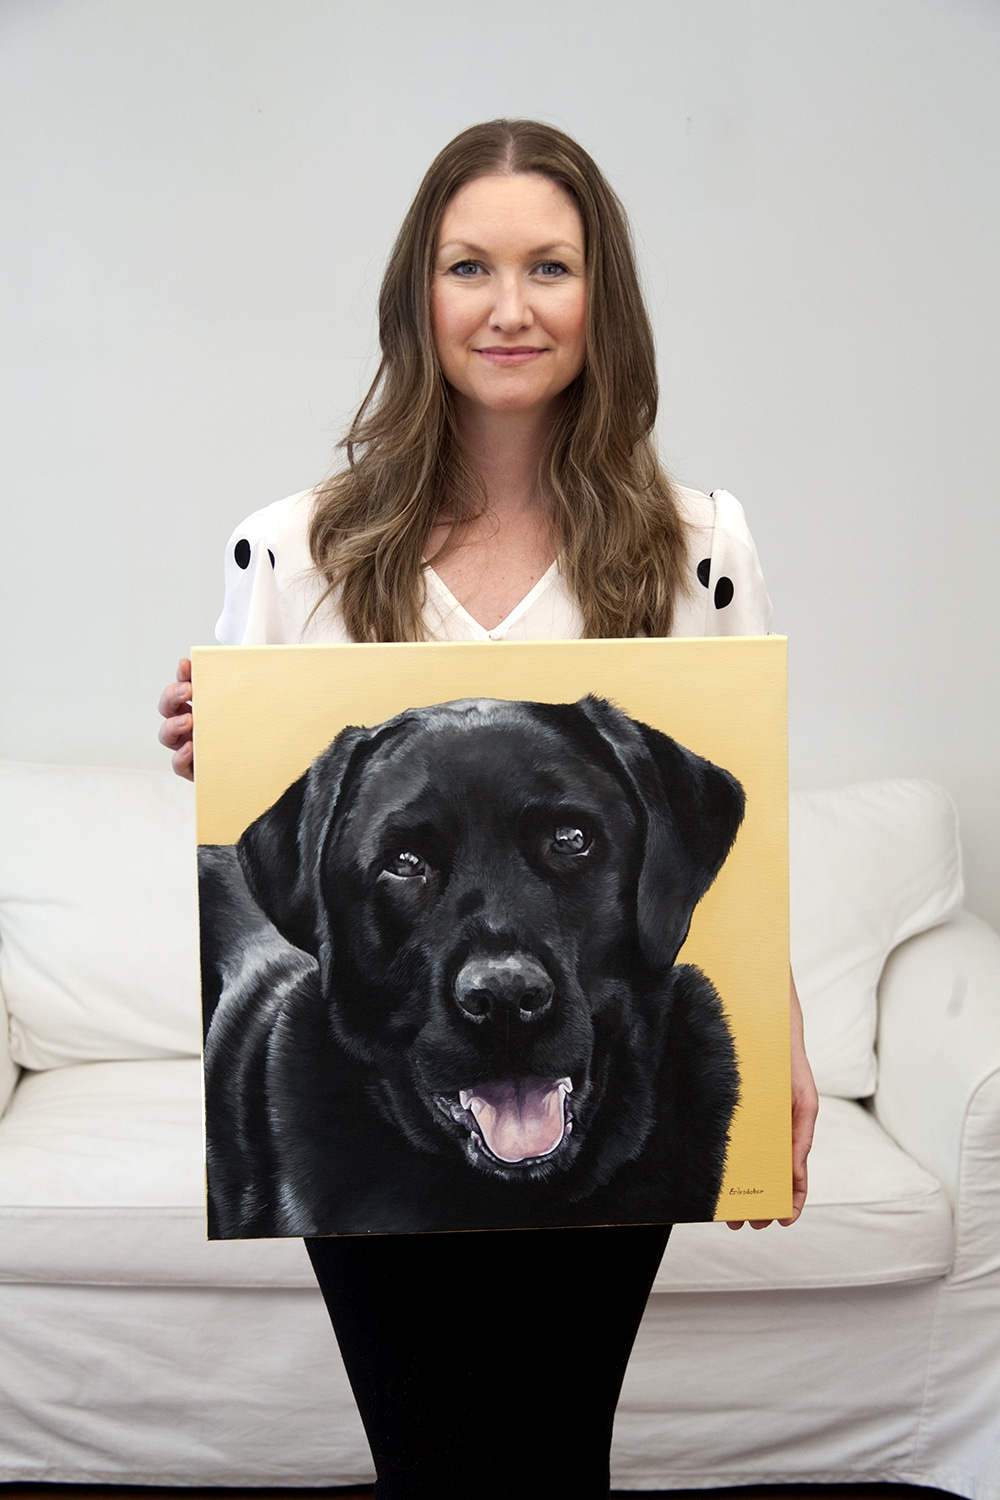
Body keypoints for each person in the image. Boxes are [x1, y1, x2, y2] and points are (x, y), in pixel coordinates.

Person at [159, 119, 818, 1500]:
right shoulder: (293, 553)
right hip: (383, 1080)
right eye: (470, 267)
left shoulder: (700, 546)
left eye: (550, 268)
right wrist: (203, 746)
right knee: (428, 1462)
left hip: (602, 1080)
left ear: (602, 299)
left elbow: (749, 828)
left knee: (561, 1452)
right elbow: (256, 817)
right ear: (420, 296)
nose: (510, 308)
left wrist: (783, 1058)